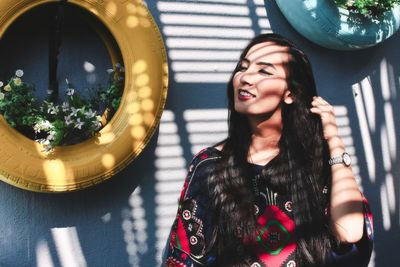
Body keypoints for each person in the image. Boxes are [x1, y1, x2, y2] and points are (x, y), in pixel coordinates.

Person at [163, 33, 373, 267]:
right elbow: (184, 259)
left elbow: (350, 233)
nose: (245, 78)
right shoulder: (211, 165)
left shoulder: (317, 163)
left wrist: (334, 140)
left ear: (290, 93)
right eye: (242, 68)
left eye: (264, 71)